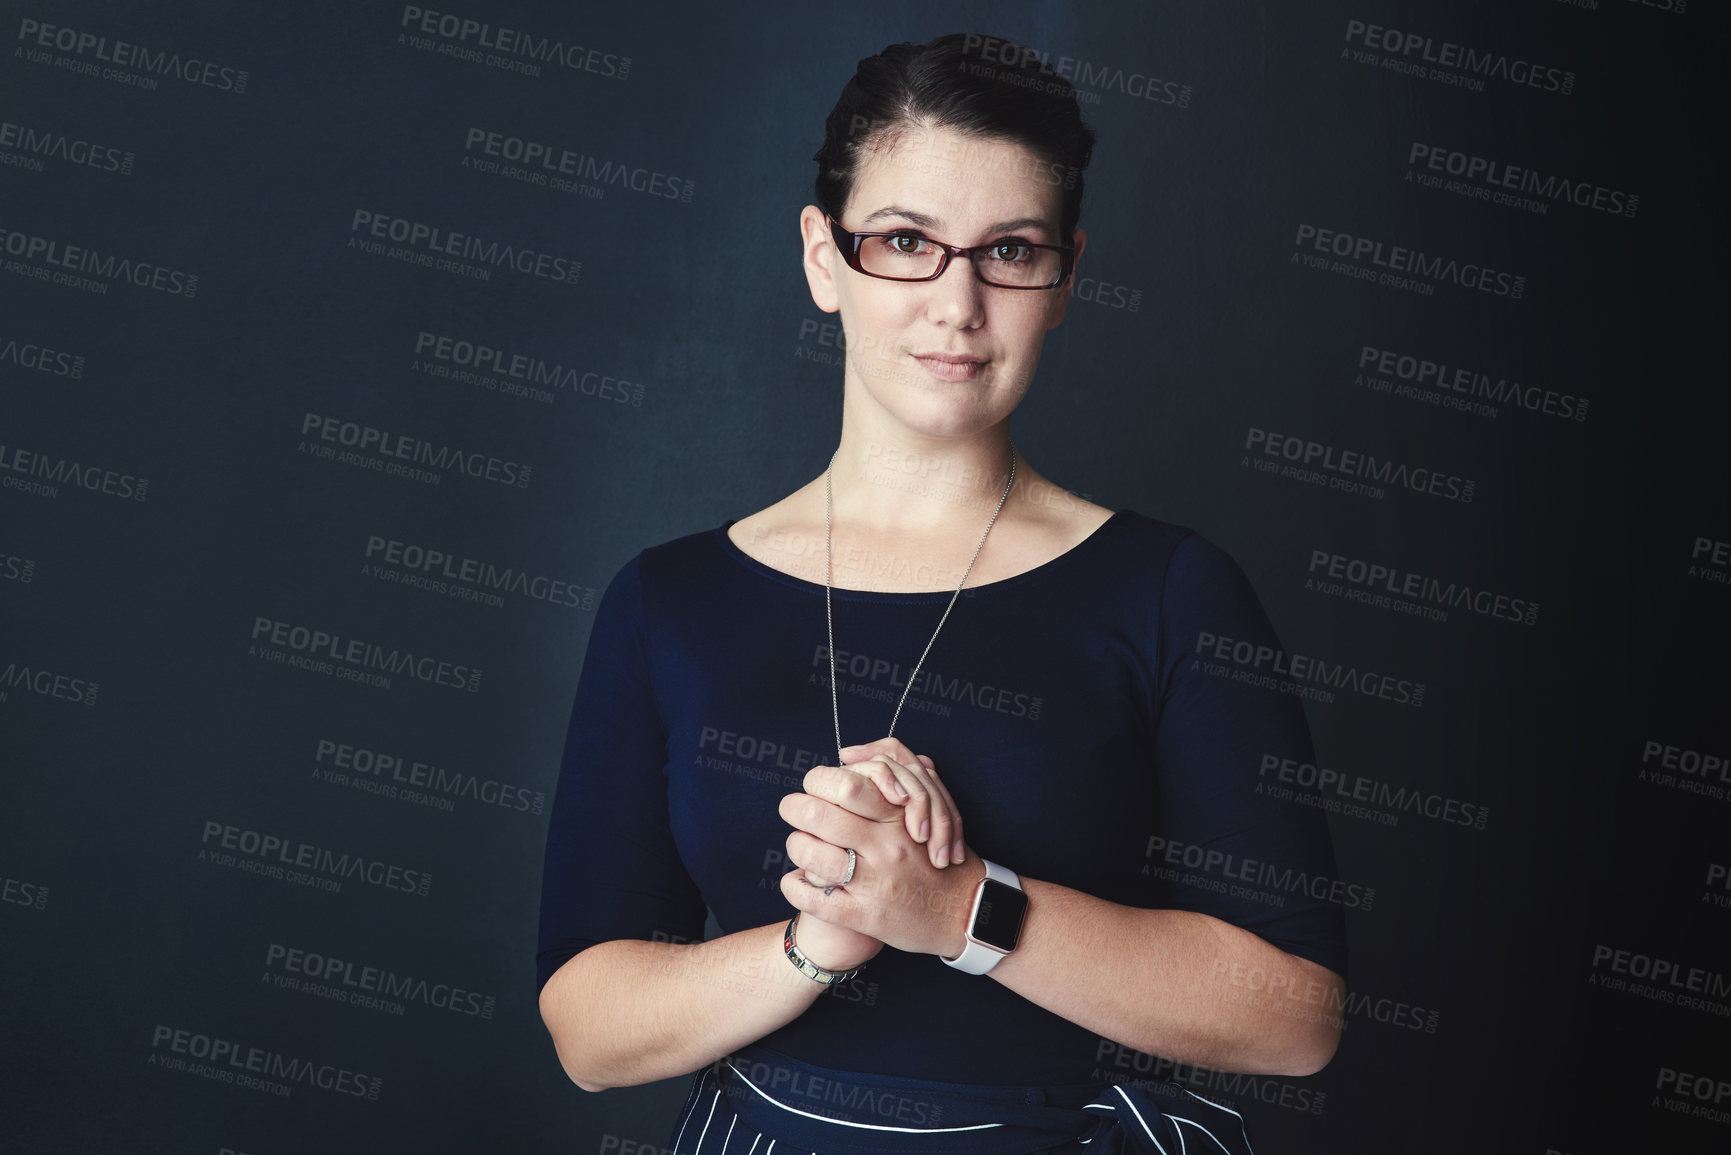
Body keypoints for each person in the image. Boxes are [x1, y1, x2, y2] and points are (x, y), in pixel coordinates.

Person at [537, 32, 1347, 1154]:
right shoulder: (668, 601)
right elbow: (589, 1029)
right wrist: (818, 939)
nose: (956, 303)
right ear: (825, 259)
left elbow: (1296, 1018)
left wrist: (962, 908)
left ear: (1063, 278)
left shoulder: (1174, 591)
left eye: (1009, 250)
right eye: (906, 241)